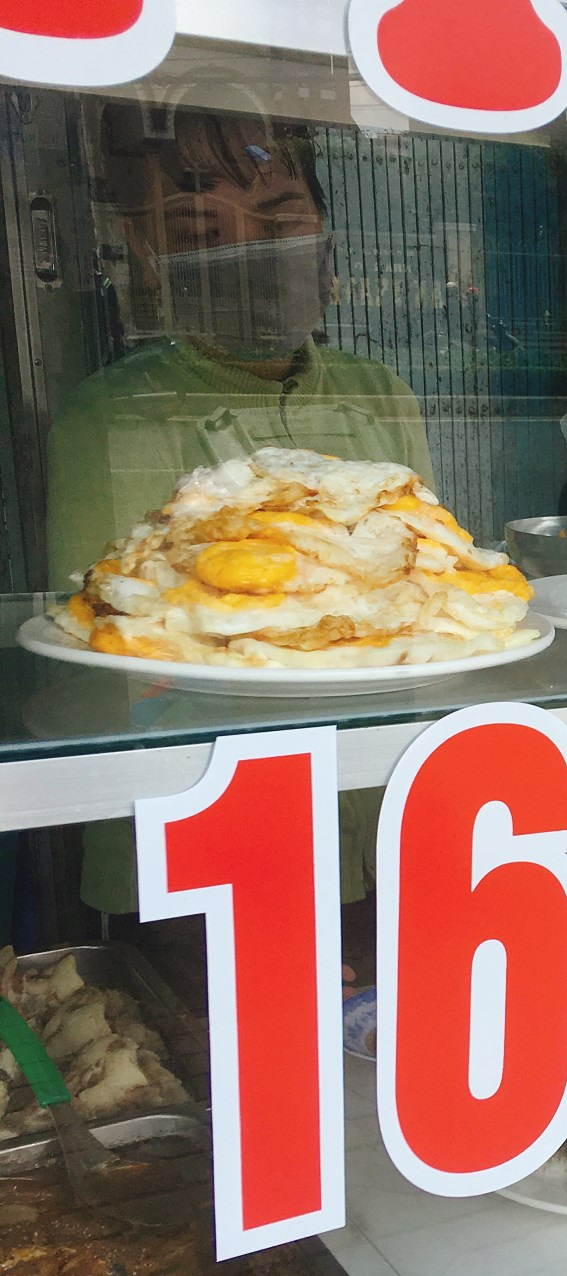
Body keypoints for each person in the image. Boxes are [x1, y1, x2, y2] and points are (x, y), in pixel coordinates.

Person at [47, 102, 434, 917]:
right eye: (199, 231)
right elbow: (104, 657)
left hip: (377, 818)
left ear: (324, 232)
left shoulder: (378, 396)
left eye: (280, 220)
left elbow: (427, 601)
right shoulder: (114, 416)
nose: (250, 254)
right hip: (198, 846)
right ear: (149, 255)